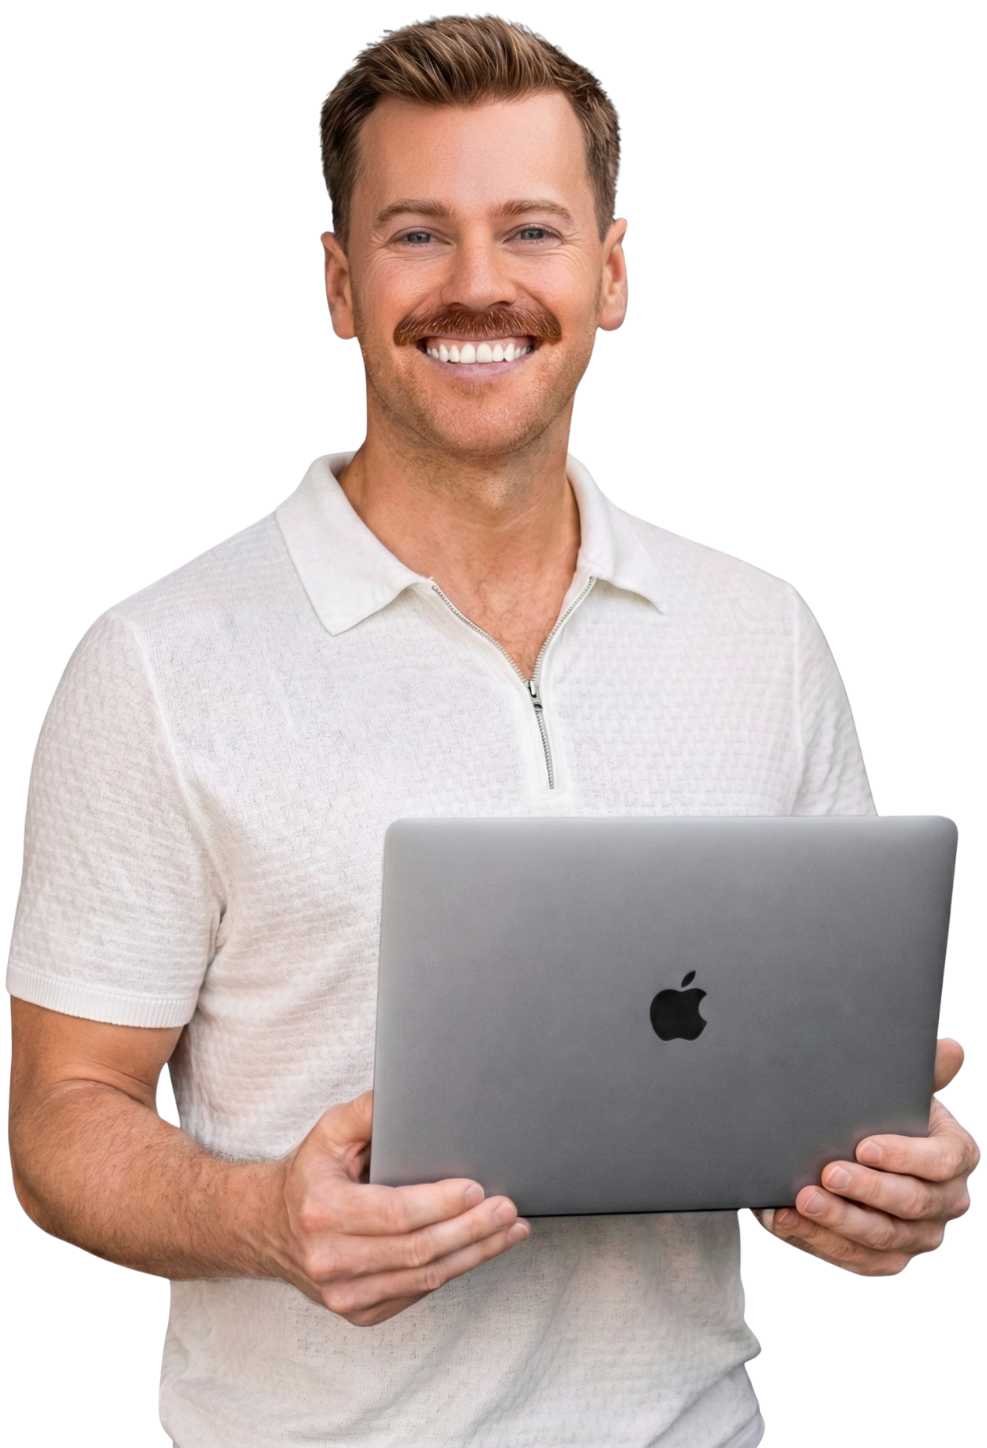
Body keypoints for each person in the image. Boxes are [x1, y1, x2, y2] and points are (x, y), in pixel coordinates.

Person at [5, 14, 978, 1448]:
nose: (477, 286)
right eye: (415, 235)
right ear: (339, 288)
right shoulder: (155, 660)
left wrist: (893, 1187)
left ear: (610, 276)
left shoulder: (762, 635)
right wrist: (259, 1218)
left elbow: (833, 1070)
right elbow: (55, 1125)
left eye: (529, 230)